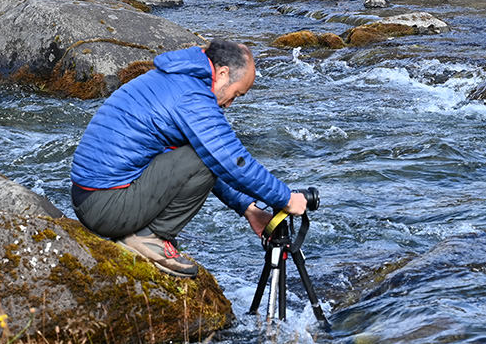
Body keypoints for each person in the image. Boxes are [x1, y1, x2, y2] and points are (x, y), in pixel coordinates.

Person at [69, 39, 309, 279]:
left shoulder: (179, 79)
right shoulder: (192, 96)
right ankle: (148, 237)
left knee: (203, 154)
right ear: (223, 73)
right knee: (205, 157)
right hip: (106, 206)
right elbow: (231, 161)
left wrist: (248, 209)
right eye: (236, 94)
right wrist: (285, 198)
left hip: (93, 198)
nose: (229, 104)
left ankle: (145, 233)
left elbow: (207, 159)